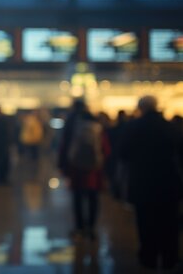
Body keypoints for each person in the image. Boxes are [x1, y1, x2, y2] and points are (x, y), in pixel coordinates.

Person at [119, 96, 183, 271]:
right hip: (169, 182)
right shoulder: (171, 127)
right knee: (169, 223)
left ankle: (149, 257)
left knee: (145, 223)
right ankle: (170, 258)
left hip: (143, 182)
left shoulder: (133, 127)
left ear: (141, 108)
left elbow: (123, 153)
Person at [58, 99, 110, 240]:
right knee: (93, 198)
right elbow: (105, 148)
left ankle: (79, 228)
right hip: (95, 168)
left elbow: (64, 145)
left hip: (76, 167)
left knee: (77, 198)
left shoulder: (72, 122)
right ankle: (91, 228)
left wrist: (62, 165)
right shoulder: (97, 123)